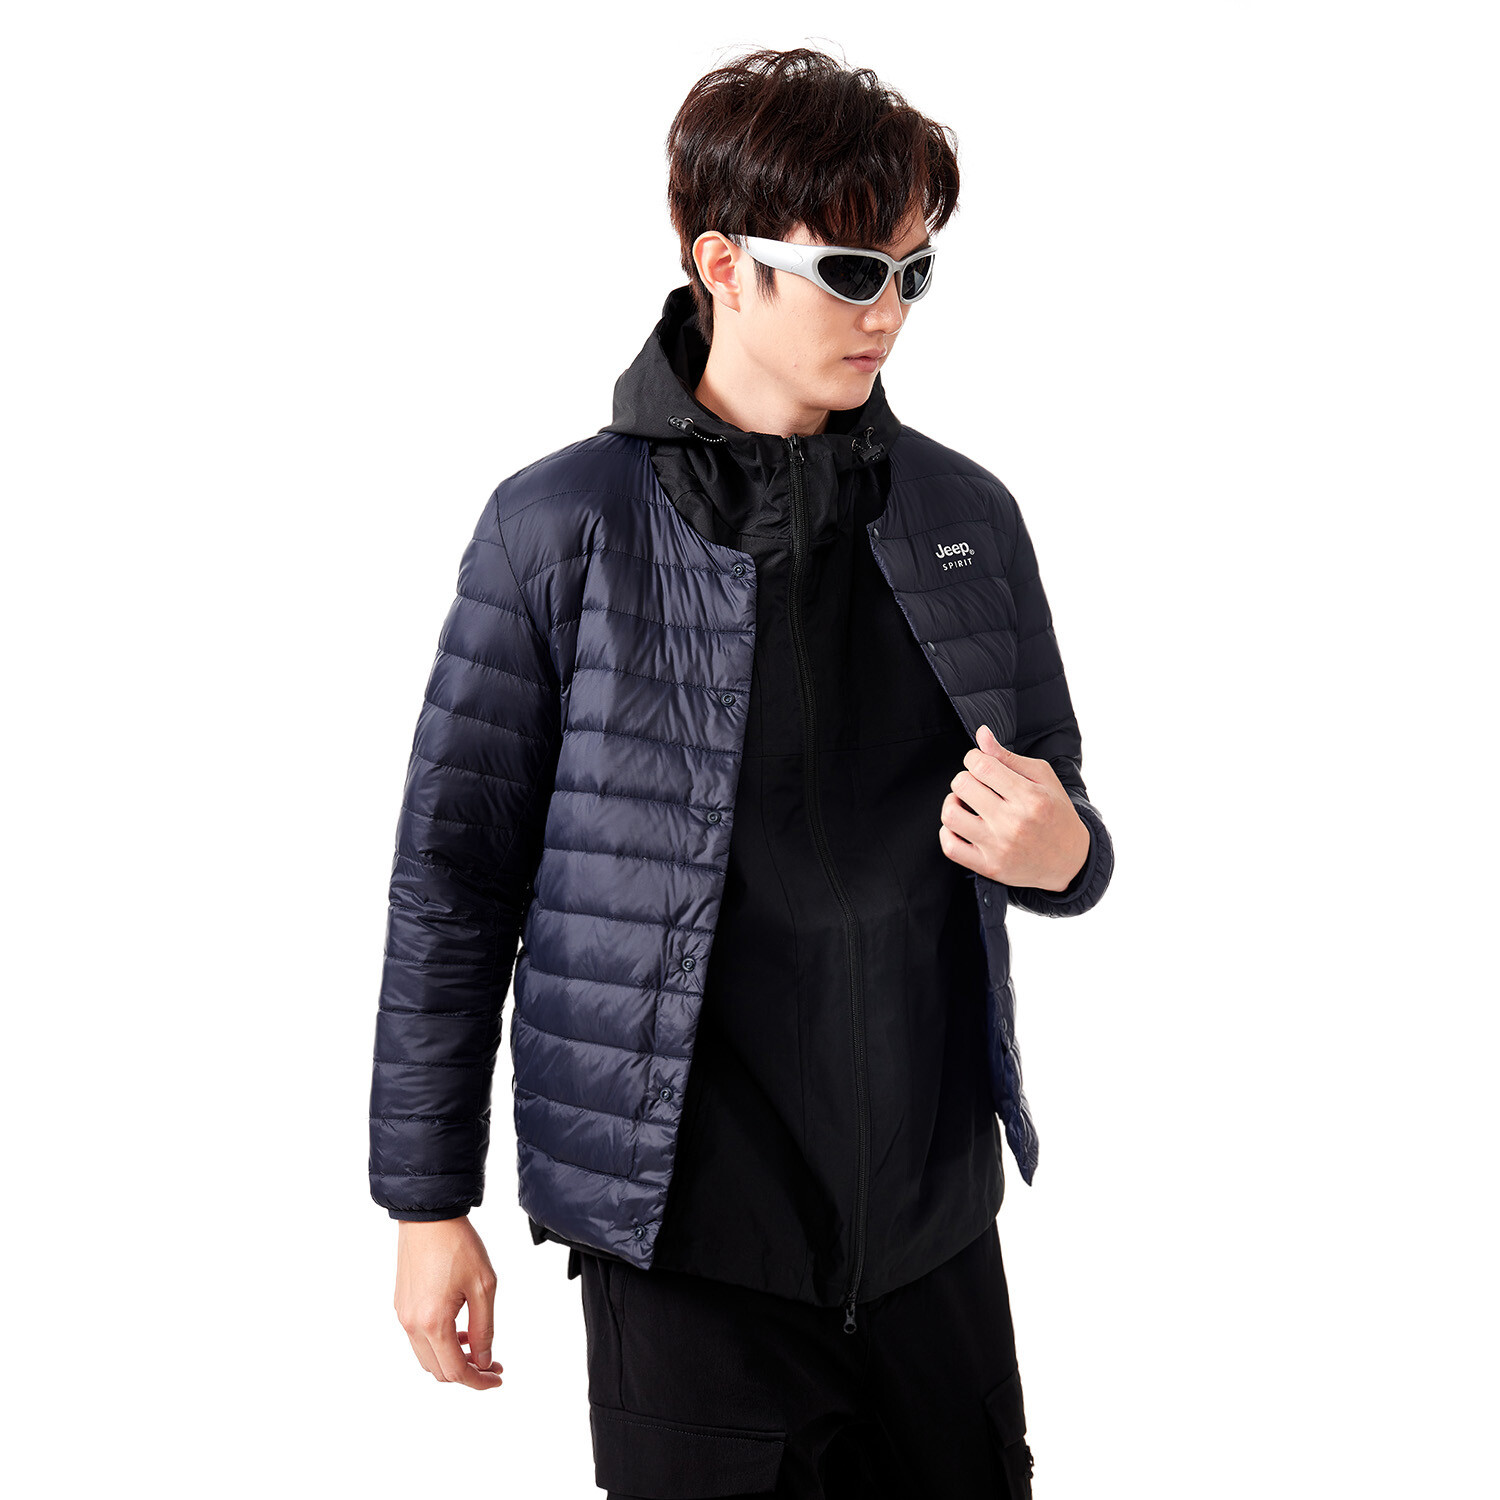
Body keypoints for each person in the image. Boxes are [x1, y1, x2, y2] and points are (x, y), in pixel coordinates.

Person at [369, 46, 1113, 1500]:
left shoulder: (964, 513)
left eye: (914, 271)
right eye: (852, 271)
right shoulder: (558, 528)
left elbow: (1060, 803)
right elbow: (453, 879)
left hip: (933, 1229)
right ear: (723, 264)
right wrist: (425, 1199)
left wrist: (1069, 855)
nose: (888, 311)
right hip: (685, 1236)